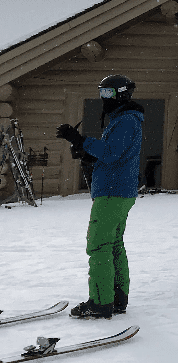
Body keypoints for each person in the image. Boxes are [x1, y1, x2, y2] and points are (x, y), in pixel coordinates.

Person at [56, 75, 143, 318]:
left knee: (98, 245)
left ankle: (100, 302)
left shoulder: (126, 121)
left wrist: (81, 140)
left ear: (121, 94)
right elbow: (113, 155)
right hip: (118, 190)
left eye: (108, 93)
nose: (104, 98)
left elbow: (112, 153)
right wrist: (86, 154)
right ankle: (116, 297)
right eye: (101, 93)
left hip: (112, 192)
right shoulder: (124, 119)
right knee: (113, 244)